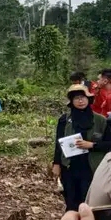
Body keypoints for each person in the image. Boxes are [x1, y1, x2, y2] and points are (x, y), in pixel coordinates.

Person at [53, 84, 111, 212]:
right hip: (69, 166)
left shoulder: (101, 121)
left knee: (89, 202)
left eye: (83, 97)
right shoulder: (64, 120)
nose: (80, 101)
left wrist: (92, 145)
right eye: (77, 98)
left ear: (88, 99)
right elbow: (58, 143)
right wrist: (56, 163)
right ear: (72, 101)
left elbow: (109, 144)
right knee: (71, 201)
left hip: (92, 167)